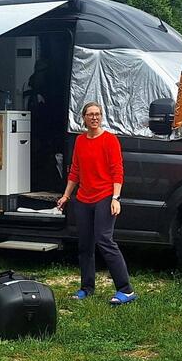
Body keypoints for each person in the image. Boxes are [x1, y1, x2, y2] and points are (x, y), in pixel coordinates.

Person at [56, 101, 137, 305]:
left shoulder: (110, 140)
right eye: (90, 114)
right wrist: (66, 196)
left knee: (104, 240)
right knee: (85, 245)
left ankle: (125, 290)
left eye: (98, 114)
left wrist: (115, 198)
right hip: (83, 199)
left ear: (101, 117)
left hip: (105, 197)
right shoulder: (80, 141)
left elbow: (117, 171)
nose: (94, 117)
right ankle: (87, 287)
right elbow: (75, 171)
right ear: (83, 118)